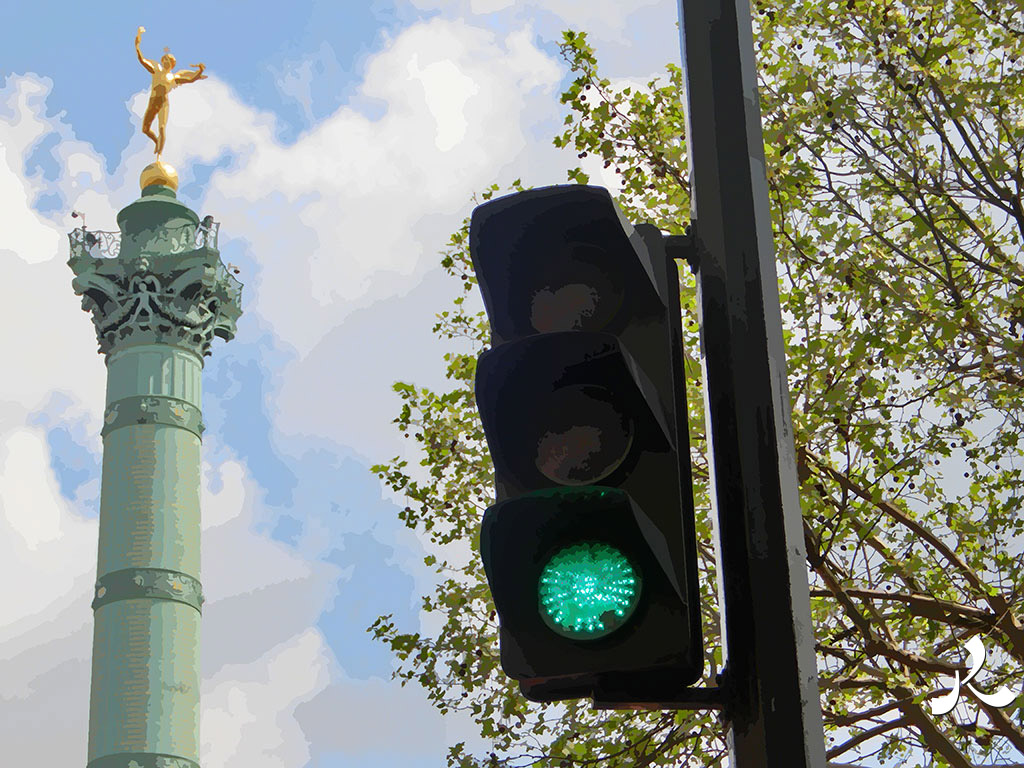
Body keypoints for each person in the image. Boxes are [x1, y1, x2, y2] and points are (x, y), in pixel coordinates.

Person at [135, 26, 207, 157]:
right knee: (145, 129)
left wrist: (200, 71)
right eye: (164, 59)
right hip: (153, 100)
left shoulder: (173, 78)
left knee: (162, 127)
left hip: (163, 102)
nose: (165, 61)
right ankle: (156, 141)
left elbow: (191, 79)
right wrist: (137, 45)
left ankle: (159, 154)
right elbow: (142, 60)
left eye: (168, 60)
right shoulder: (156, 70)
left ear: (172, 64)